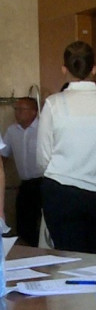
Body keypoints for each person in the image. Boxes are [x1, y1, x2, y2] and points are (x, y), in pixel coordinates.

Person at [37, 41, 96, 254]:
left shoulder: (54, 104)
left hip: (62, 191)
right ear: (94, 69)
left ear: (64, 69)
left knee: (68, 257)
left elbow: (43, 157)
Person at [0, 97, 43, 246]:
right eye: (16, 109)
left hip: (44, 182)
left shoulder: (43, 128)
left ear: (33, 112)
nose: (17, 113)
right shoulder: (12, 131)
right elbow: (3, 155)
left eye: (21, 109)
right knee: (24, 222)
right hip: (25, 184)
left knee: (44, 224)